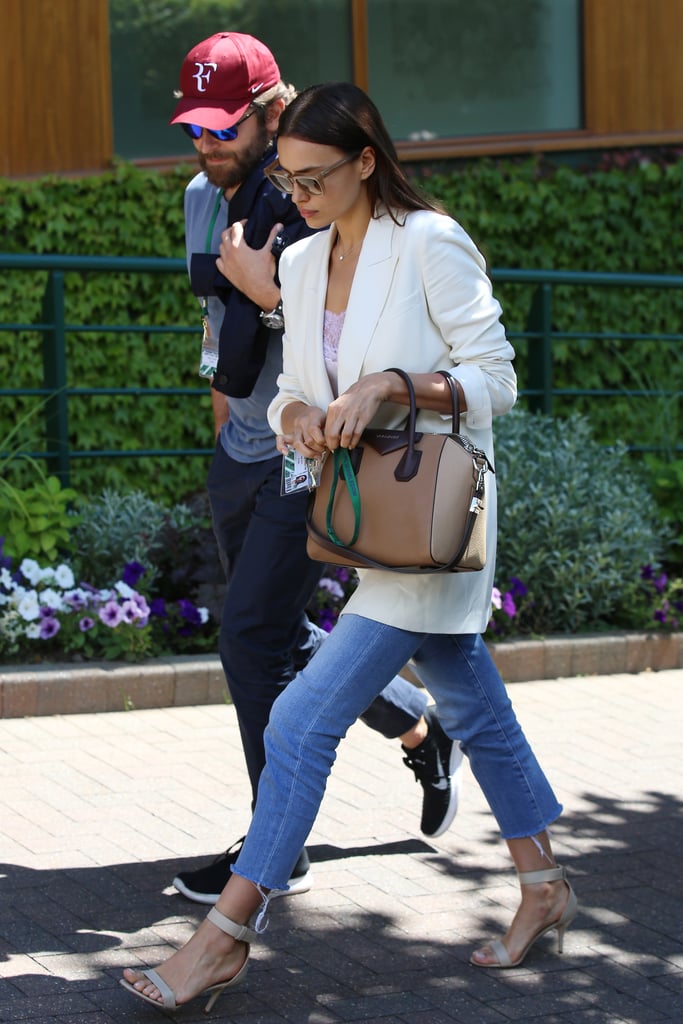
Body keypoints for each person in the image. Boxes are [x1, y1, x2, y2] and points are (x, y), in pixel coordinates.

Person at [121, 81, 577, 1011]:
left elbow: (497, 379)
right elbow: (291, 386)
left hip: (429, 522)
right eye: (287, 179)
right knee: (474, 709)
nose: (297, 195)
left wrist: (392, 386)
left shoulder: (430, 243)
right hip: (362, 518)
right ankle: (544, 885)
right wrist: (299, 418)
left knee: (297, 721)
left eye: (315, 177)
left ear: (366, 160)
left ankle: (226, 936)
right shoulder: (298, 260)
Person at [167, 33, 464, 906]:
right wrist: (223, 408)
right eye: (195, 129)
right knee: (275, 634)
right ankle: (417, 726)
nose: (208, 146)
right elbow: (216, 322)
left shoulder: (317, 199)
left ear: (269, 108)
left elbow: (346, 338)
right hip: (243, 450)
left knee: (250, 636)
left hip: (314, 455)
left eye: (224, 129)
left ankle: (273, 845)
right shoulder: (200, 195)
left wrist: (267, 295)